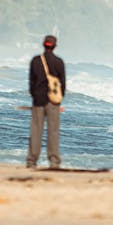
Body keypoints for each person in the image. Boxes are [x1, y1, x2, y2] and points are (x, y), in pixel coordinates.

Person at [26, 34, 66, 169]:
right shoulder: (58, 62)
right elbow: (63, 84)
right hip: (53, 101)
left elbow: (31, 82)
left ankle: (31, 161)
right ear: (55, 46)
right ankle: (54, 161)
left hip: (38, 100)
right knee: (53, 131)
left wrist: (34, 96)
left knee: (36, 130)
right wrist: (59, 100)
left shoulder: (36, 61)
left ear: (44, 45)